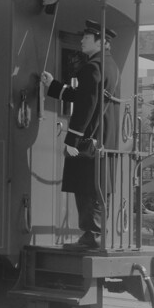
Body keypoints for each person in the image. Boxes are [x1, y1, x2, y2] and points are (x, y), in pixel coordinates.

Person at [40, 20, 119, 250]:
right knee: (97, 185)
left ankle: (91, 237)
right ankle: (96, 235)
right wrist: (55, 86)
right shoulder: (110, 65)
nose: (82, 40)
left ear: (101, 42)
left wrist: (72, 140)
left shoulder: (92, 67)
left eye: (87, 37)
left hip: (89, 138)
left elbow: (85, 105)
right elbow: (85, 95)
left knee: (86, 185)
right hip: (104, 137)